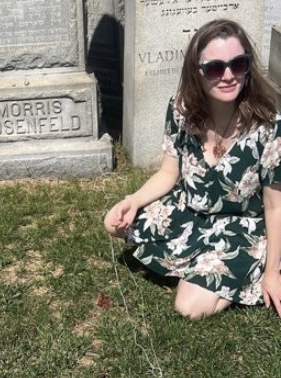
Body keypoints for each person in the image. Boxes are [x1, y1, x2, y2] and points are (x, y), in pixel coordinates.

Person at [104, 19, 281, 319]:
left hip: (240, 226)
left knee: (189, 307)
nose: (228, 76)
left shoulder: (268, 127)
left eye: (238, 64)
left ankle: (250, 264)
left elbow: (275, 205)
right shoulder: (181, 110)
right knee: (113, 223)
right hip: (189, 211)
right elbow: (168, 174)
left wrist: (272, 272)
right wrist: (133, 200)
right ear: (196, 72)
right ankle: (204, 264)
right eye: (214, 68)